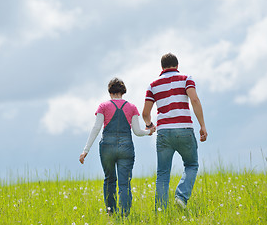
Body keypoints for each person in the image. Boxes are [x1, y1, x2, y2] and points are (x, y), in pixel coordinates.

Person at [79, 78, 156, 216]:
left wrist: (86, 150)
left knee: (109, 180)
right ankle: (125, 215)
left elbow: (96, 128)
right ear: (123, 91)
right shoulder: (131, 107)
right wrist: (149, 132)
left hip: (107, 147)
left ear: (110, 92)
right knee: (124, 183)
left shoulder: (103, 106)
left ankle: (111, 213)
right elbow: (137, 132)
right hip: (126, 147)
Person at [142, 53, 208, 210]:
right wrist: (202, 126)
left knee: (163, 174)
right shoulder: (186, 79)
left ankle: (161, 211)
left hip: (164, 132)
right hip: (184, 129)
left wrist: (150, 125)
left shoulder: (153, 85)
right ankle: (181, 196)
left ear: (162, 67)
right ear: (177, 66)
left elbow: (145, 113)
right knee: (191, 165)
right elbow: (194, 100)